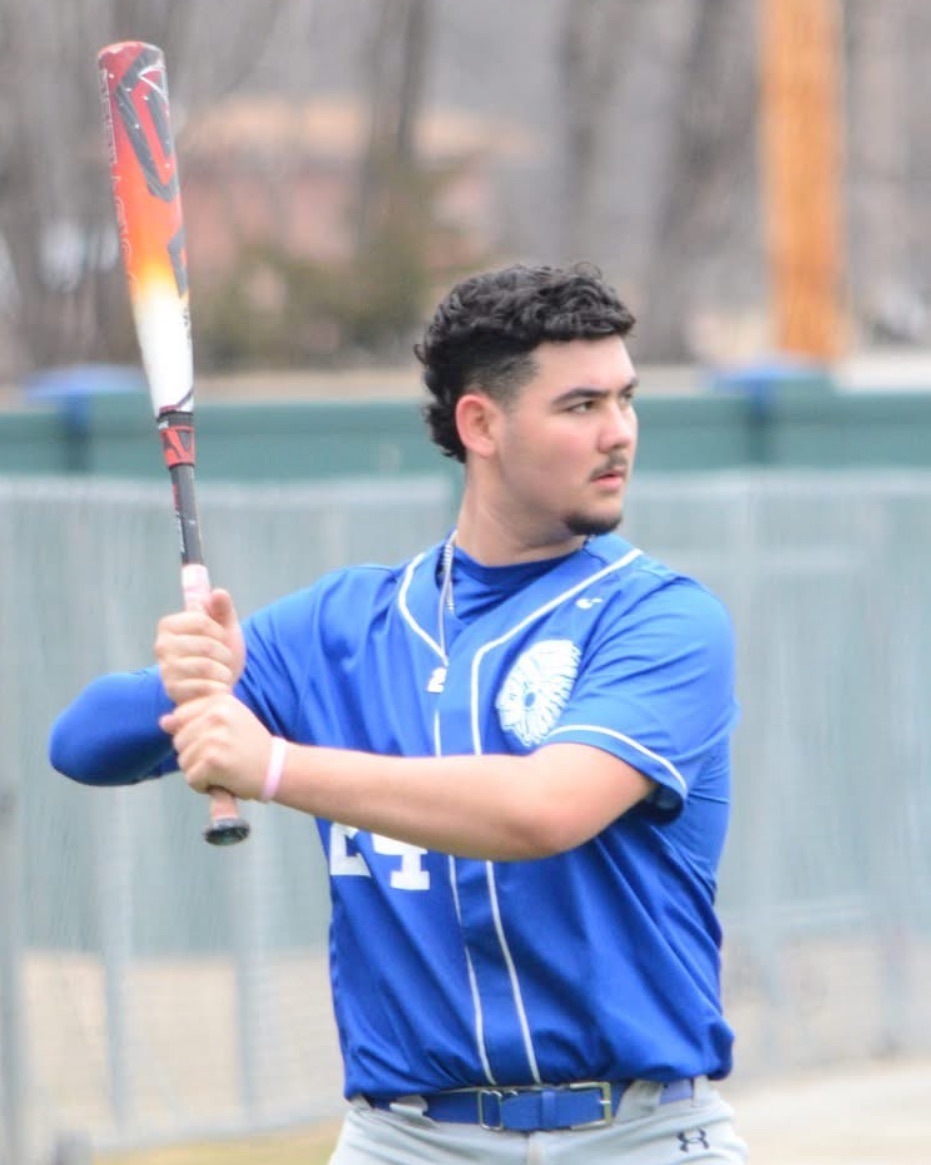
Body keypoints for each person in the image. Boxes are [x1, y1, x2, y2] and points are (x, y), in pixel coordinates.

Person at [50, 262, 748, 1163]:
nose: (618, 432)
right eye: (580, 406)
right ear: (480, 423)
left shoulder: (662, 618)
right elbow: (81, 743)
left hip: (639, 1134)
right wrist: (187, 676)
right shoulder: (341, 625)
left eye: (625, 399)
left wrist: (274, 767)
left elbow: (543, 809)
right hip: (403, 1139)